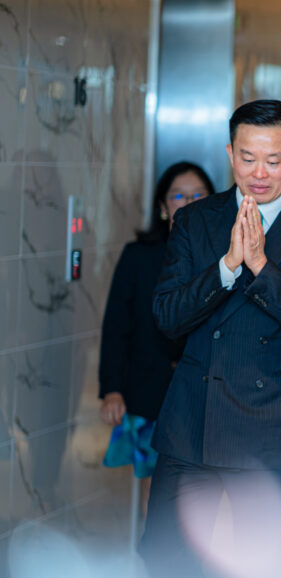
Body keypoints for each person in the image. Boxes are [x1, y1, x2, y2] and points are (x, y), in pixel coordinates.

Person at [142, 100, 281, 578]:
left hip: (269, 430)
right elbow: (167, 316)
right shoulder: (195, 221)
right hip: (193, 423)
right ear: (230, 154)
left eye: (273, 161)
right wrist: (227, 267)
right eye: (247, 158)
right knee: (164, 559)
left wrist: (260, 267)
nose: (259, 173)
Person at [99, 162, 214, 502]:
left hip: (206, 395)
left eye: (198, 195)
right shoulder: (138, 256)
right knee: (157, 490)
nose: (189, 203)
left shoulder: (226, 257)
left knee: (200, 493)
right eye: (179, 196)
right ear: (163, 206)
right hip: (150, 391)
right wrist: (112, 389)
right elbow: (116, 325)